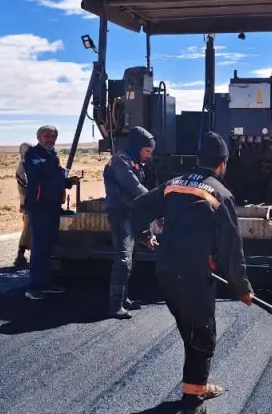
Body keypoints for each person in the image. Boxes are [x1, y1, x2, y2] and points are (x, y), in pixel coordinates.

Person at [131, 131, 254, 414]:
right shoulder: (220, 194)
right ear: (222, 163)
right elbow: (232, 248)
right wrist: (242, 287)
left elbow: (138, 207)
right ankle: (193, 401)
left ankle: (197, 384)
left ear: (199, 160)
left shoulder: (173, 184)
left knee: (191, 330)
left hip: (166, 271)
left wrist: (144, 236)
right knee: (203, 335)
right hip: (194, 276)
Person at [102, 126, 155, 319]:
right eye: (147, 151)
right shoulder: (120, 160)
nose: (149, 155)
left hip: (131, 213)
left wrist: (147, 232)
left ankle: (125, 299)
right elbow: (133, 186)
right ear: (137, 147)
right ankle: (115, 305)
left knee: (131, 259)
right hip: (120, 214)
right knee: (123, 259)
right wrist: (155, 199)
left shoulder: (135, 162)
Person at [22, 125, 79, 300]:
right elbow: (37, 175)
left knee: (49, 245)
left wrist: (67, 181)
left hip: (52, 206)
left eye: (53, 136)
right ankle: (34, 287)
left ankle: (46, 282)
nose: (50, 139)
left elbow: (52, 178)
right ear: (39, 138)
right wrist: (57, 171)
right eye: (46, 136)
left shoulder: (51, 155)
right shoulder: (34, 154)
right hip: (39, 206)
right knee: (39, 246)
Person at [14, 142, 32, 269]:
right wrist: (24, 203)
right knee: (28, 227)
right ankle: (20, 256)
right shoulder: (23, 166)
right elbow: (22, 188)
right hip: (28, 203)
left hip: (31, 202)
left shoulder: (29, 165)